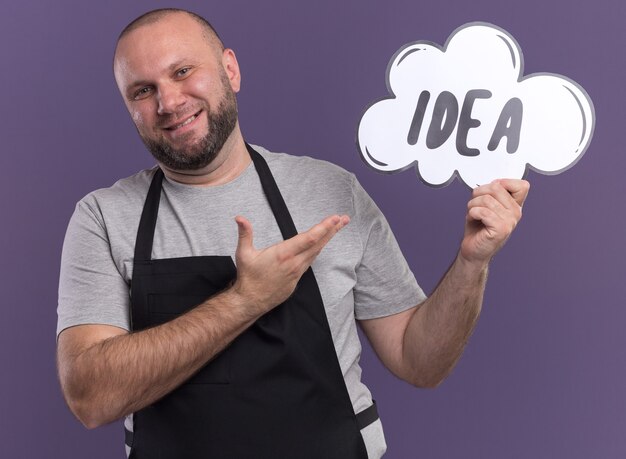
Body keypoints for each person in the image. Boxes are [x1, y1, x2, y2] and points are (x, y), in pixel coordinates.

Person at [56, 8, 529, 459]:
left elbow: (420, 362)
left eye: (182, 72)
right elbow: (91, 397)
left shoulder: (331, 190)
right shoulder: (104, 216)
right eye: (142, 90)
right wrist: (245, 300)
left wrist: (472, 262)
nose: (169, 102)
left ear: (230, 70)